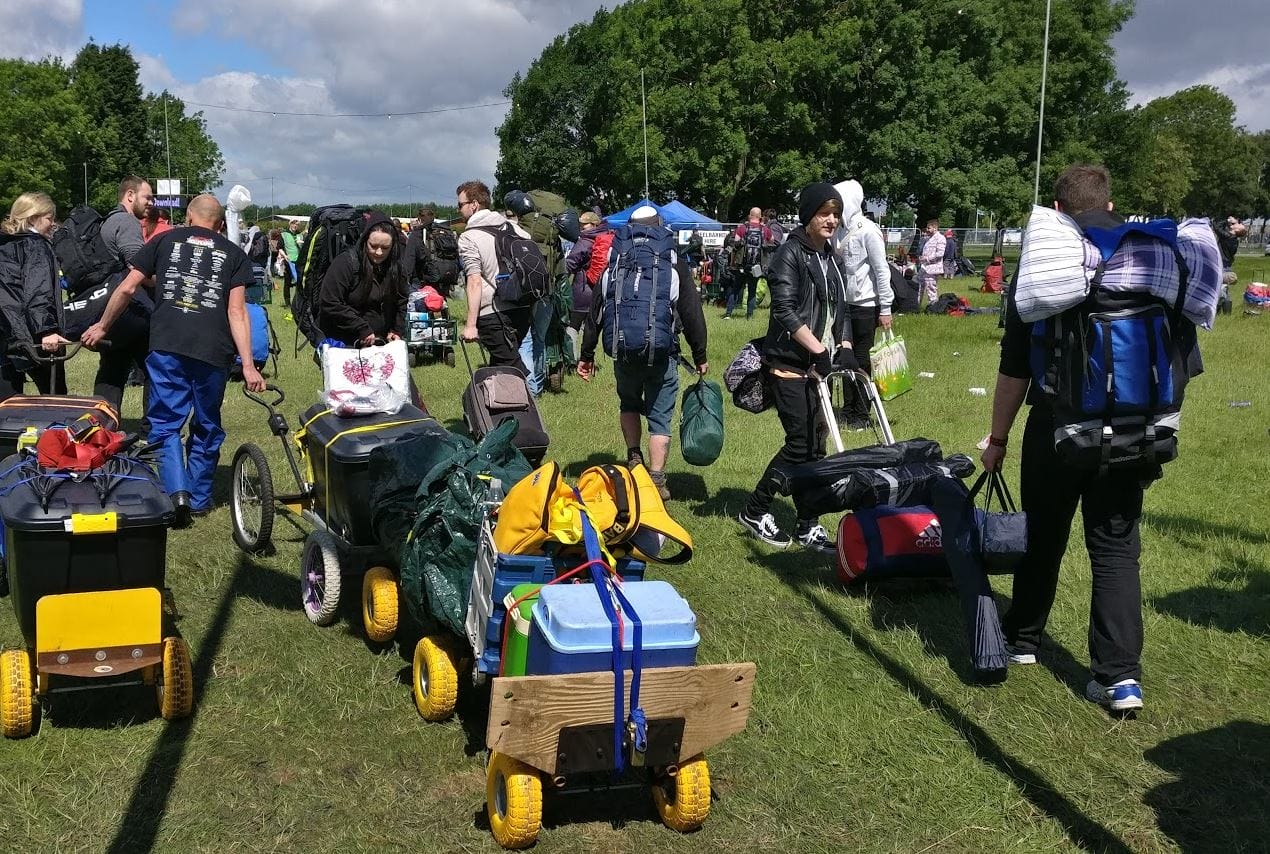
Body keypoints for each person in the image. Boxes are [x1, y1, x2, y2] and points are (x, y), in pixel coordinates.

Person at [980, 164, 1180, 713]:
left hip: (1058, 424)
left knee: (1043, 533)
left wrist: (997, 438)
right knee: (1116, 547)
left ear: (1059, 211)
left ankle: (1023, 638)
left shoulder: (1048, 263)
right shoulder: (1151, 258)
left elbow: (1015, 365)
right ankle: (1120, 679)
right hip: (1138, 428)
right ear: (1112, 202)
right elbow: (1183, 354)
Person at [82, 194, 263, 526]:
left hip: (168, 345)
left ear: (188, 218)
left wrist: (102, 325)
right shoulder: (235, 254)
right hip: (213, 351)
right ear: (220, 224)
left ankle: (175, 493)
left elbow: (126, 288)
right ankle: (199, 499)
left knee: (165, 423)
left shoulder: (164, 240)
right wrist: (249, 365)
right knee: (207, 424)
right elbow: (237, 312)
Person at [737, 183, 847, 553]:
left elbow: (837, 308)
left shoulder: (831, 256)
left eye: (835, 213)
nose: (831, 220)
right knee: (798, 444)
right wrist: (817, 350)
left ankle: (807, 524)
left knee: (817, 447)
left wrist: (842, 345)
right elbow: (784, 310)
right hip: (789, 362)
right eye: (824, 213)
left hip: (819, 364)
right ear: (809, 216)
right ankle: (755, 510)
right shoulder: (790, 253)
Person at [577, 206, 708, 500]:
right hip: (663, 354)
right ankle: (658, 480)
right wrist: (700, 355)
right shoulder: (672, 261)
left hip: (624, 352)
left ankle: (634, 457)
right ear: (660, 226)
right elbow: (691, 312)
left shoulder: (615, 261)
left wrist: (586, 355)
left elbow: (595, 312)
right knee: (660, 417)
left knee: (629, 403)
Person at [832, 180, 893, 430]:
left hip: (866, 305)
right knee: (845, 357)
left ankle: (862, 411)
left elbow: (881, 270)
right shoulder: (839, 232)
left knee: (862, 358)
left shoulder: (869, 230)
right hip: (843, 305)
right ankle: (847, 409)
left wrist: (886, 307)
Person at [0, 192, 72, 398]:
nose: (53, 224)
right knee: (55, 399)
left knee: (6, 403)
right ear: (33, 217)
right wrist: (46, 330)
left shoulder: (4, 244)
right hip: (30, 334)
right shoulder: (36, 245)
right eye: (49, 218)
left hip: (5, 332)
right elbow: (38, 291)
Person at [96, 176, 156, 422]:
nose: (151, 203)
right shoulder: (127, 222)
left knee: (111, 371)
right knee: (154, 370)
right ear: (130, 195)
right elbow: (137, 268)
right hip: (132, 310)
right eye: (147, 197)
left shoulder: (107, 221)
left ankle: (102, 429)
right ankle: (150, 432)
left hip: (107, 307)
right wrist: (159, 281)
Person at [456, 180, 532, 368]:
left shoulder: (469, 237)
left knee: (512, 367)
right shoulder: (514, 228)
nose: (458, 210)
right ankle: (497, 397)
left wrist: (471, 325)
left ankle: (528, 397)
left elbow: (474, 281)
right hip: (523, 307)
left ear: (474, 204)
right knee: (501, 367)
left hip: (493, 313)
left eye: (460, 205)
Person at [318, 211, 408, 347]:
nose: (379, 252)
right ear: (365, 240)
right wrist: (361, 328)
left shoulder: (396, 266)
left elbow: (402, 300)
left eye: (385, 248)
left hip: (382, 343)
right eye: (373, 246)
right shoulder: (346, 263)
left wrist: (397, 330)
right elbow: (329, 302)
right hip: (344, 342)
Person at [726, 207, 775, 319]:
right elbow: (772, 240)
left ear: (749, 215)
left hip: (742, 265)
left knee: (736, 289)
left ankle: (728, 313)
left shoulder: (742, 228)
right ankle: (749, 315)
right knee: (752, 290)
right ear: (760, 217)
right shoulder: (765, 230)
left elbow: (736, 243)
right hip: (757, 266)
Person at [917, 218, 946, 307]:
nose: (927, 230)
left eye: (929, 228)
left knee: (931, 288)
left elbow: (940, 253)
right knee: (919, 286)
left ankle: (933, 307)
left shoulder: (940, 238)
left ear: (935, 228)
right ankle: (916, 305)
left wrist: (927, 258)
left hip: (933, 268)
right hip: (924, 267)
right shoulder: (928, 238)